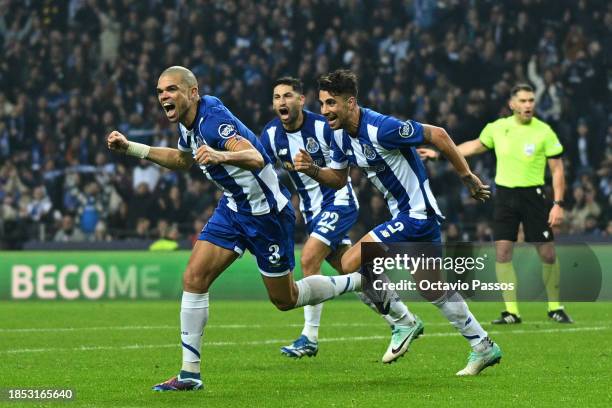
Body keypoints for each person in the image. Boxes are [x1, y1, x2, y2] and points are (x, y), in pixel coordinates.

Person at [107, 66, 387, 392]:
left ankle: (355, 280)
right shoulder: (189, 124)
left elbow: (254, 157)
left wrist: (219, 154)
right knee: (194, 278)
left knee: (285, 299)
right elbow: (184, 161)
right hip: (233, 208)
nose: (164, 97)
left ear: (192, 92)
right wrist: (132, 148)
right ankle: (189, 374)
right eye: (160, 92)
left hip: (267, 214)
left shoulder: (213, 121)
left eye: (171, 89)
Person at [293, 69, 501, 376]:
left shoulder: (382, 128)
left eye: (331, 103)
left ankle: (402, 321)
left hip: (414, 216)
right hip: (411, 217)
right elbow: (337, 179)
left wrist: (467, 176)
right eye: (322, 104)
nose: (325, 111)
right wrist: (312, 169)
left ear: (350, 102)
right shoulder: (338, 135)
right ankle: (483, 346)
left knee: (350, 263)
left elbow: (439, 135)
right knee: (432, 288)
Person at [261, 77, 417, 361]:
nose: (281, 102)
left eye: (287, 96)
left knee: (309, 259)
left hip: (338, 201)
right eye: (276, 97)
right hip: (311, 212)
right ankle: (403, 318)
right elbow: (261, 171)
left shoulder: (322, 127)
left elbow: (345, 163)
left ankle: (309, 336)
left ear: (301, 99)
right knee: (351, 271)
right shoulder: (271, 136)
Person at [418, 83, 572, 324]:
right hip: (505, 196)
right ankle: (512, 312)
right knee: (502, 252)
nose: (528, 105)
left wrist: (558, 203)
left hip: (534, 196)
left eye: (531, 100)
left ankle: (555, 307)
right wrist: (441, 154)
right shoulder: (498, 128)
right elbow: (474, 146)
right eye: (522, 101)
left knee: (548, 254)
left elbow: (558, 170)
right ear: (512, 104)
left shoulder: (544, 132)